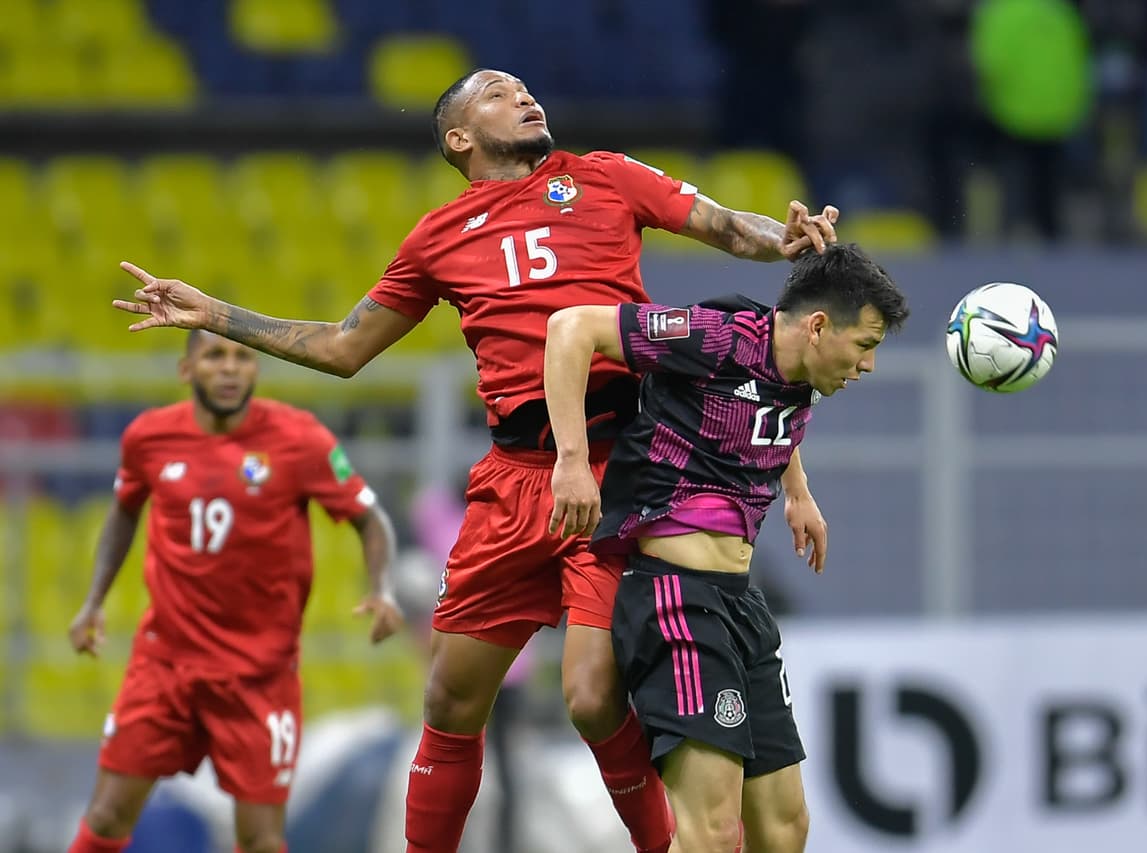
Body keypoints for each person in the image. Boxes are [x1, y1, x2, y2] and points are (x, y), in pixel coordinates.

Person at [110, 68, 838, 853]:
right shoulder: (437, 238)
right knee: (450, 700)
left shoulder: (604, 177)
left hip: (614, 468)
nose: (526, 98)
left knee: (592, 697)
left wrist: (783, 238)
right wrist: (215, 312)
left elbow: (727, 225)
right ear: (458, 136)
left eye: (527, 90)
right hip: (513, 480)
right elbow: (343, 346)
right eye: (498, 92)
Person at [542, 243, 910, 852]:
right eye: (865, 345)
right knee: (711, 832)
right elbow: (570, 328)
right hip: (674, 602)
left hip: (740, 603)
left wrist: (799, 491)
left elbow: (770, 413)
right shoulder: (716, 338)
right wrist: (573, 462)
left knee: (784, 828)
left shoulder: (802, 375)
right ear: (818, 327)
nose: (868, 365)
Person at [65, 331, 403, 853]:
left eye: (242, 357)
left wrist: (382, 589)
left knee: (260, 837)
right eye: (214, 357)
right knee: (108, 815)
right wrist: (93, 601)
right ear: (186, 370)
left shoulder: (300, 439)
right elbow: (125, 508)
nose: (229, 369)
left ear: (256, 370)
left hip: (258, 677)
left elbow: (369, 518)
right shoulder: (149, 438)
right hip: (166, 665)